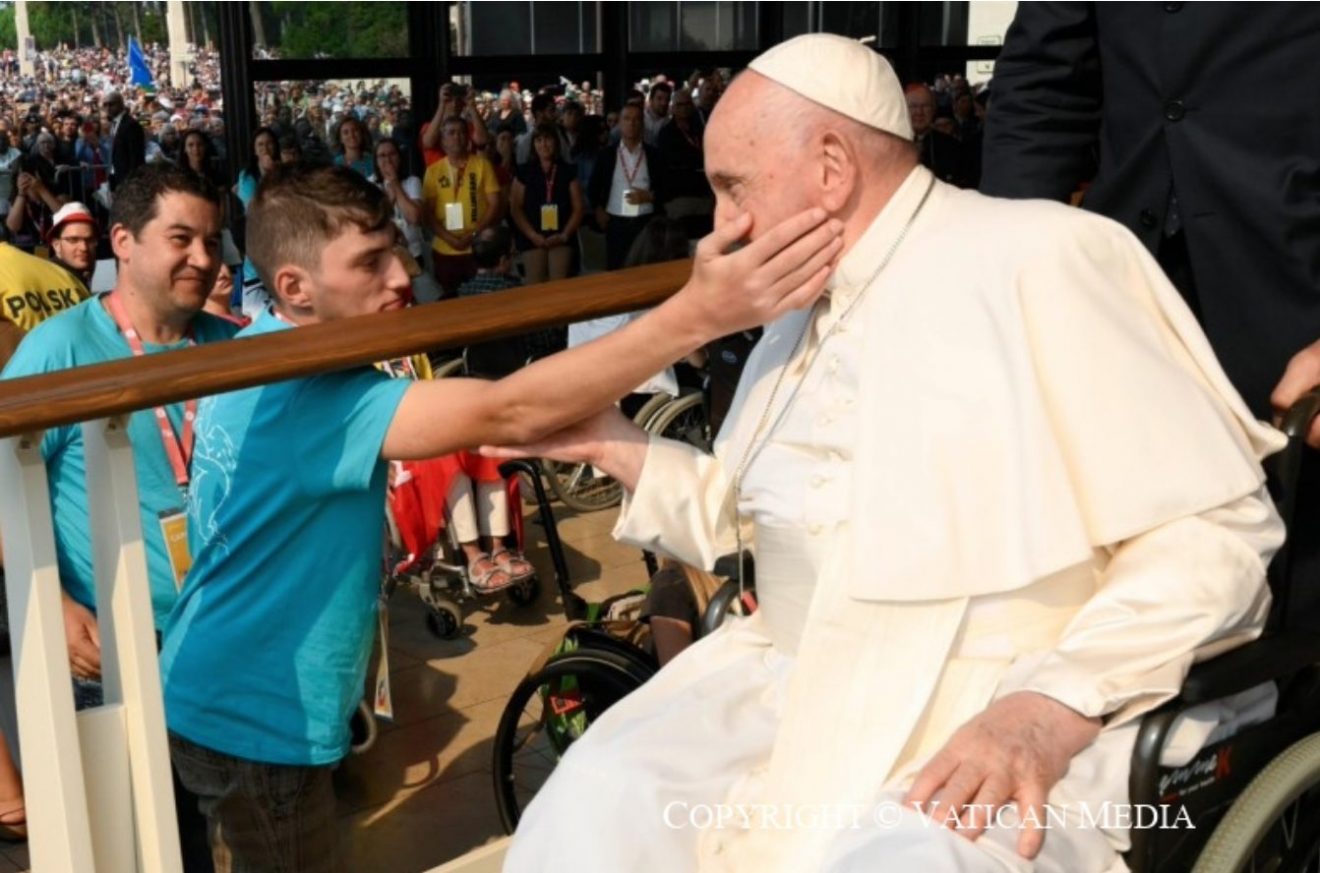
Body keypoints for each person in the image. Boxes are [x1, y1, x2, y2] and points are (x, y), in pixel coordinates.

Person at [498, 34, 1283, 873]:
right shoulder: (791, 309)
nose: (720, 225)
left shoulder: (1046, 255)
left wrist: (1051, 704)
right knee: (599, 800)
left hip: (997, 699)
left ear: (832, 167)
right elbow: (776, 527)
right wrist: (612, 441)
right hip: (792, 676)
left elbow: (1215, 536)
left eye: (733, 187)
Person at [159, 162, 839, 871]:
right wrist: (700, 311)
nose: (401, 276)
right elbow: (506, 409)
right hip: (258, 717)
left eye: (395, 251)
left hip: (218, 684)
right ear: (295, 286)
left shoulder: (258, 349)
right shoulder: (319, 395)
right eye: (369, 262)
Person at [979, 3, 1320, 627]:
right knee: (1124, 603)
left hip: (1296, 299)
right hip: (1121, 301)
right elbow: (1044, 85)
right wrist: (1006, 274)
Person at [2, 162, 237, 870]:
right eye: (181, 239)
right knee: (140, 838)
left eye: (212, 241)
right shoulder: (62, 348)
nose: (203, 258)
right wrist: (54, 599)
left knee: (226, 823)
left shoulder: (232, 345)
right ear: (124, 242)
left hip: (224, 631)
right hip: (114, 643)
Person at [421, 115, 502, 297]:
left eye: (461, 132)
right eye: (451, 133)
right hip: (445, 248)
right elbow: (428, 214)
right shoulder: (433, 171)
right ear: (442, 141)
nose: (457, 136)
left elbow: (494, 204)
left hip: (478, 247)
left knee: (481, 298)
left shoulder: (482, 165)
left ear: (468, 138)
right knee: (451, 301)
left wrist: (473, 234)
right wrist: (450, 239)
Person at [588, 104, 667, 270]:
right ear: (619, 123)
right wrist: (598, 210)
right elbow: (592, 188)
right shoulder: (606, 155)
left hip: (646, 221)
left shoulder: (654, 155)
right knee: (617, 271)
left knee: (646, 270)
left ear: (642, 124)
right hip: (616, 222)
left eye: (636, 119)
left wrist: (650, 196)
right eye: (627, 119)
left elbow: (667, 188)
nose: (632, 123)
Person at [509, 123, 584, 284]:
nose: (543, 144)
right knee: (535, 285)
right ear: (533, 144)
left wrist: (564, 235)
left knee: (558, 286)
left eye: (548, 139)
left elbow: (578, 208)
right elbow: (516, 208)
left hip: (561, 236)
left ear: (556, 142)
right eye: (539, 140)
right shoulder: (524, 171)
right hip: (532, 236)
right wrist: (532, 235)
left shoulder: (568, 170)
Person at [45, 201, 98, 288]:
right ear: (56, 245)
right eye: (73, 240)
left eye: (90, 240)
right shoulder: (48, 279)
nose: (84, 247)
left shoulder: (83, 270)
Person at [104, 91, 145, 192]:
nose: (108, 108)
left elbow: (136, 156)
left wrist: (133, 180)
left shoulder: (131, 125)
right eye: (105, 105)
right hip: (115, 176)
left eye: (111, 104)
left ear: (121, 104)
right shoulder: (113, 124)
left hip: (127, 179)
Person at [643, 81, 672, 146]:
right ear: (651, 100)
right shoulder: (640, 118)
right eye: (659, 99)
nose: (664, 103)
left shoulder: (670, 123)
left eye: (667, 99)